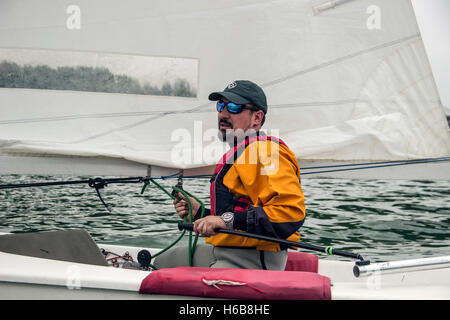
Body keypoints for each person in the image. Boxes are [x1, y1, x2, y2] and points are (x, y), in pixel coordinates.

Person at [153, 80, 305, 270]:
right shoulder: (242, 152)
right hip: (227, 251)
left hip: (252, 261)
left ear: (257, 118)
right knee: (161, 262)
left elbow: (290, 213)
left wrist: (224, 220)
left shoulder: (265, 152)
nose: (223, 114)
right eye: (221, 105)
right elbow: (238, 216)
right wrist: (201, 213)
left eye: (234, 107)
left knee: (159, 272)